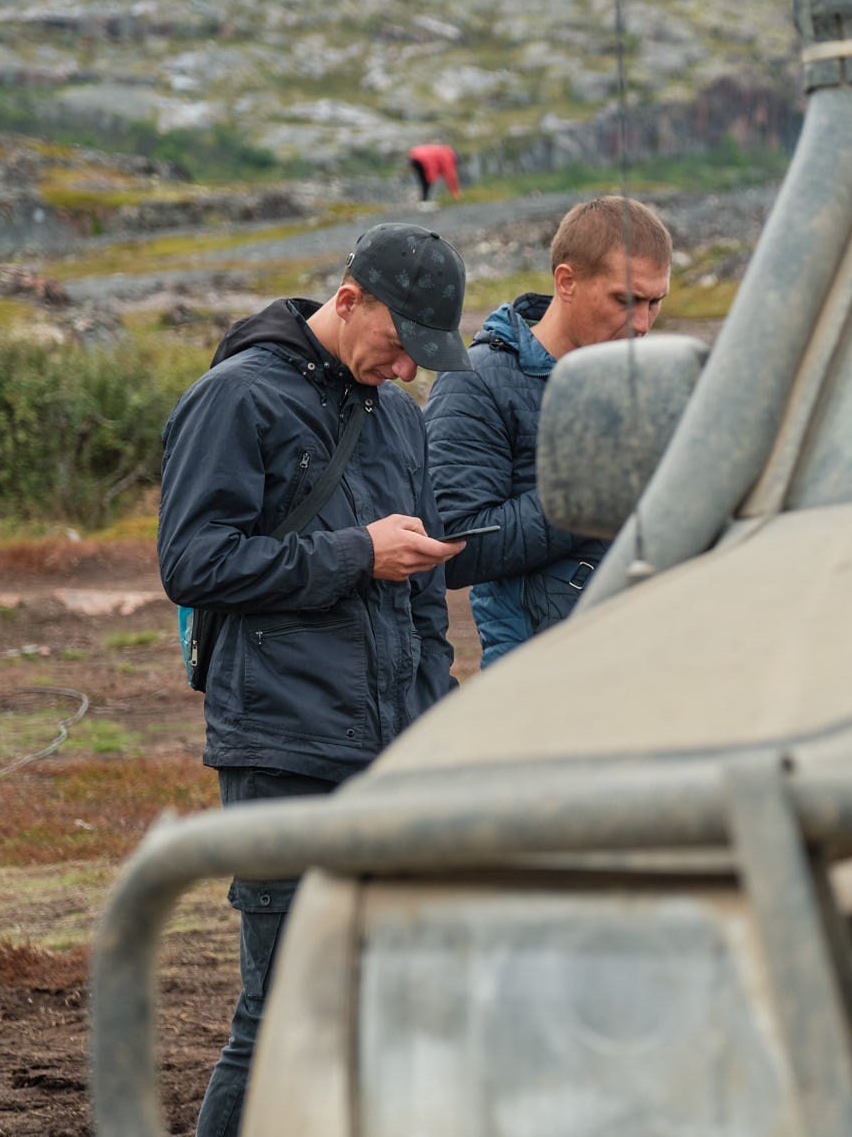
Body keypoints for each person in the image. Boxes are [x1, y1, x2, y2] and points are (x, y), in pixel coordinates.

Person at [157, 222, 474, 1137]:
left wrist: (433, 723)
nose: (408, 370)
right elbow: (193, 562)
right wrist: (354, 551)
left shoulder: (399, 419)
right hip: (282, 748)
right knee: (278, 1013)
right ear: (348, 300)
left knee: (382, 1002)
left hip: (389, 755)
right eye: (399, 345)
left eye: (423, 356)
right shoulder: (234, 400)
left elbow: (419, 605)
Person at [424, 195, 672, 665]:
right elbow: (455, 547)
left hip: (648, 659)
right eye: (626, 300)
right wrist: (596, 492)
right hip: (539, 675)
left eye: (655, 302)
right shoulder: (476, 381)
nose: (642, 324)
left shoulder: (650, 379)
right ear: (567, 281)